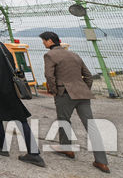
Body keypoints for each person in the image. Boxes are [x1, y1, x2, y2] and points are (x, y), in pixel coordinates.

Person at [0, 23, 45, 167]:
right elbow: (11, 61)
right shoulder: (0, 45)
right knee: (20, 119)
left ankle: (5, 147)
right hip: (9, 88)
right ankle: (32, 152)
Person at [40, 31, 110, 173]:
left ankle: (67, 149)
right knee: (91, 126)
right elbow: (88, 76)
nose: (43, 43)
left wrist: (55, 92)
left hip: (65, 93)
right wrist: (84, 89)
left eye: (44, 41)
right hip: (82, 93)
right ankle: (102, 162)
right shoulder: (74, 54)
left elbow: (49, 76)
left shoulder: (50, 55)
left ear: (50, 41)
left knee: (64, 121)